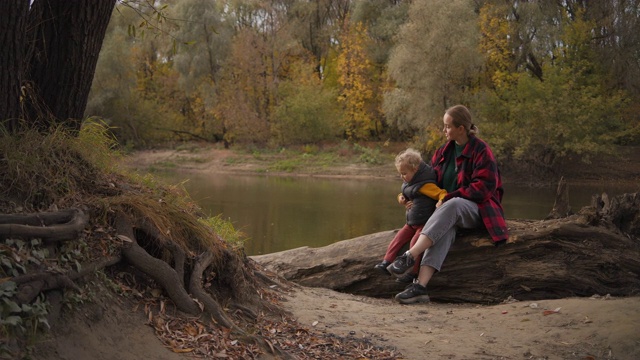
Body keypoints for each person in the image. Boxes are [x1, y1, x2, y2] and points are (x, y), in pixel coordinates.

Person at [386, 105, 509, 304]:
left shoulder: (481, 151)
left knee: (454, 204)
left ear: (461, 128)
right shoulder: (443, 152)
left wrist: (449, 196)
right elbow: (427, 183)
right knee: (444, 228)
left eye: (447, 126)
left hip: (479, 211)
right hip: (446, 214)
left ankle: (410, 255)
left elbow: (483, 189)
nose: (444, 130)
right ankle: (420, 287)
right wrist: (411, 199)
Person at [373, 148, 447, 283]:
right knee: (398, 239)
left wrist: (441, 201)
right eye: (400, 174)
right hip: (411, 222)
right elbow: (404, 194)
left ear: (415, 169)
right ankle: (386, 262)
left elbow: (442, 193)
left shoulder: (426, 185)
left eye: (404, 173)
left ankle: (413, 272)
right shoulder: (410, 182)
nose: (402, 177)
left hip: (424, 223)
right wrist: (401, 199)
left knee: (415, 244)